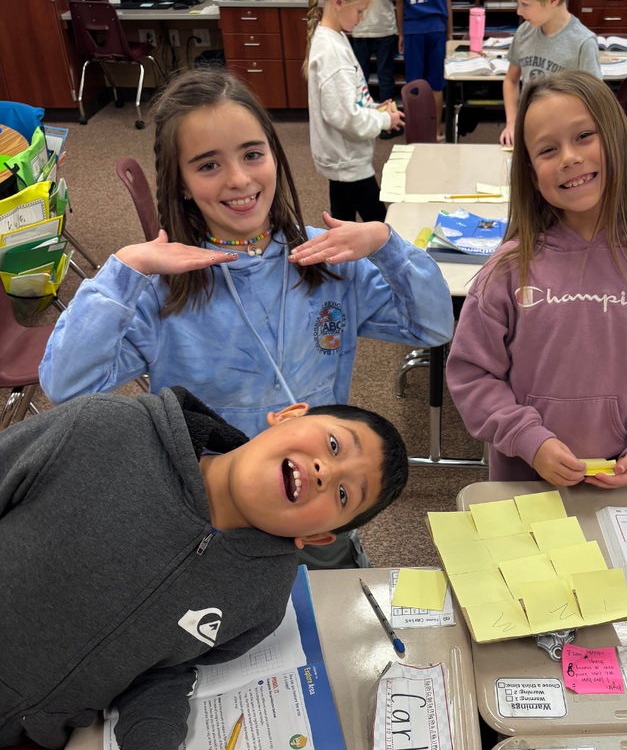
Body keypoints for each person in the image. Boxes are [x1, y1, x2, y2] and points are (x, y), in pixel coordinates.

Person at [39, 68, 452, 566]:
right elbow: (67, 385)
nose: (239, 179)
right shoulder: (162, 286)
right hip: (212, 515)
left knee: (330, 616)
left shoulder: (324, 259)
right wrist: (124, 271)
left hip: (314, 502)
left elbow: (431, 327)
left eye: (253, 155)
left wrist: (387, 246)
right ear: (182, 183)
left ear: (275, 155)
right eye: (208, 165)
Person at [0, 385, 408, 750]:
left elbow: (166, 666)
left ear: (319, 538)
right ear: (288, 415)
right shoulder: (106, 428)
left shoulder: (262, 598)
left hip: (26, 734)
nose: (327, 472)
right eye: (334, 445)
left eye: (345, 495)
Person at [447, 71, 627, 486]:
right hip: (524, 477)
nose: (569, 157)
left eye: (584, 136)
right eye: (548, 149)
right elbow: (472, 374)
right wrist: (529, 439)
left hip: (621, 476)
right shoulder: (507, 271)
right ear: (533, 174)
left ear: (617, 141)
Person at [305, 0, 403, 222]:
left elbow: (350, 99)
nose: (362, 18)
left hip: (342, 157)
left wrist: (374, 107)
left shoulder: (335, 37)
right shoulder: (331, 51)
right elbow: (346, 117)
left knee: (342, 222)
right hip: (347, 160)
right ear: (338, 2)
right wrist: (384, 120)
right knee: (382, 228)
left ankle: (342, 264)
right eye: (360, 11)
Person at [500, 0, 601, 147]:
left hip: (566, 141)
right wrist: (512, 123)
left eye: (525, 4)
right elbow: (511, 80)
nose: (519, 11)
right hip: (530, 132)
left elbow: (596, 103)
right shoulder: (524, 33)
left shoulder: (583, 43)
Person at [392, 0, 455, 141]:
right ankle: (436, 132)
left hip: (412, 29)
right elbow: (447, 1)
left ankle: (417, 134)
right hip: (437, 28)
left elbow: (399, 3)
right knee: (436, 85)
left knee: (414, 87)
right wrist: (450, 34)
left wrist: (401, 34)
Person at [342, 0, 401, 134]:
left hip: (358, 23)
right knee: (385, 75)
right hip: (383, 23)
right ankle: (389, 126)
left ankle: (365, 127)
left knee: (360, 78)